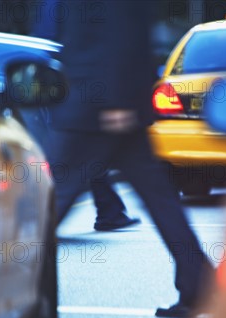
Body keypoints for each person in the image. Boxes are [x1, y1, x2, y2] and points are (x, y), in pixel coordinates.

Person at [46, 0, 214, 318]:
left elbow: (117, 31)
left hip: (97, 107)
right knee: (160, 199)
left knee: (50, 200)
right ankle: (199, 283)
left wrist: (115, 100)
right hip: (107, 104)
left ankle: (1, 287)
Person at [28, 0, 140, 232]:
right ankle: (31, 238)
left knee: (82, 158)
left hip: (69, 88)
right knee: (71, 165)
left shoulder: (51, 5)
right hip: (73, 89)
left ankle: (110, 210)